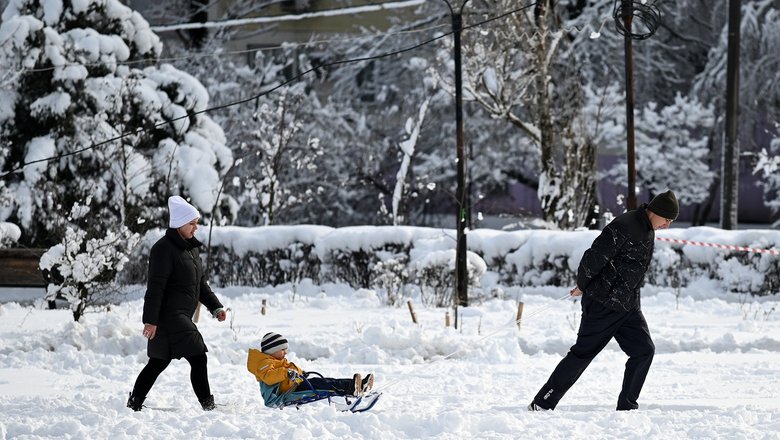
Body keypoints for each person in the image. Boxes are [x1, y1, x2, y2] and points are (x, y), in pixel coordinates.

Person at [528, 190, 679, 411]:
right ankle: (542, 402)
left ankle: (627, 407)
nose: (667, 226)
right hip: (603, 303)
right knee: (582, 353)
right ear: (656, 212)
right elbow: (594, 257)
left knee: (644, 350)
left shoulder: (647, 227)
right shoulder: (625, 225)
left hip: (627, 305)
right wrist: (583, 284)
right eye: (667, 220)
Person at [127, 195, 227, 411]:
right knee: (198, 356)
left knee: (158, 362)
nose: (195, 228)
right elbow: (155, 287)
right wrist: (150, 321)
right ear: (179, 223)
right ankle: (208, 406)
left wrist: (215, 307)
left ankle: (134, 402)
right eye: (192, 223)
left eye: (196, 223)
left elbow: (200, 283)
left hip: (178, 316)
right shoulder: (163, 249)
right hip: (170, 316)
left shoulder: (191, 249)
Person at [247, 332, 374, 408]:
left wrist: (301, 373)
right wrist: (287, 373)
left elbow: (289, 370)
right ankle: (353, 388)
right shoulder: (264, 364)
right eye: (283, 349)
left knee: (324, 381)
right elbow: (269, 377)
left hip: (293, 386)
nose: (285, 352)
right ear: (272, 350)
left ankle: (357, 385)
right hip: (283, 395)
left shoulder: (276, 361)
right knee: (322, 385)